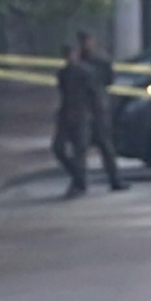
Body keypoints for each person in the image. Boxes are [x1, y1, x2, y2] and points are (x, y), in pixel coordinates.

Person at [56, 31, 120, 195]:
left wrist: (97, 109)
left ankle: (114, 179)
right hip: (74, 112)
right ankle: (79, 179)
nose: (85, 44)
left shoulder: (99, 62)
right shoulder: (67, 71)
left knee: (103, 145)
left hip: (94, 111)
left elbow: (106, 83)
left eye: (87, 41)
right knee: (71, 148)